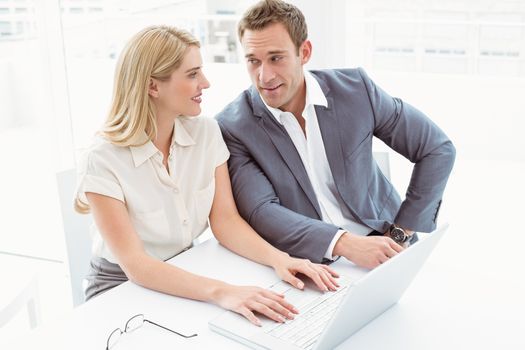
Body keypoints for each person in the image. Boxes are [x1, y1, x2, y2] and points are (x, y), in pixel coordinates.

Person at [74, 25, 339, 327]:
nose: (206, 83)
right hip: (119, 288)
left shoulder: (206, 132)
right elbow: (136, 265)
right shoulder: (103, 158)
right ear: (152, 86)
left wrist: (281, 259)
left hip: (184, 272)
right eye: (192, 74)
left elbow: (225, 221)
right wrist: (224, 293)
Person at [216, 0, 456, 269]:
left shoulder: (355, 90)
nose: (264, 76)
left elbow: (436, 148)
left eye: (276, 58)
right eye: (253, 61)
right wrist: (344, 243)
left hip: (386, 244)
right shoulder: (233, 126)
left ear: (304, 52)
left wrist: (400, 233)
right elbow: (262, 211)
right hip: (309, 261)